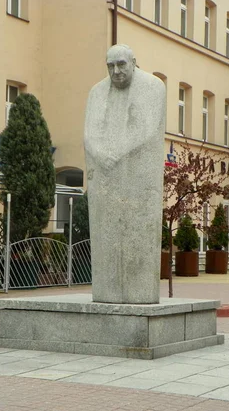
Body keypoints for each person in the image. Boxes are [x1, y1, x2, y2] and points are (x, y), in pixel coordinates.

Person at [84, 44, 166, 304]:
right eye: (111, 66)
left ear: (133, 62)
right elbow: (89, 131)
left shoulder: (153, 87)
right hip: (105, 180)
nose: (116, 71)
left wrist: (116, 153)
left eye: (121, 64)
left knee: (137, 239)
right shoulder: (97, 92)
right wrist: (99, 154)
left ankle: (138, 292)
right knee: (106, 240)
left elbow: (148, 129)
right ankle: (107, 292)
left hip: (138, 179)